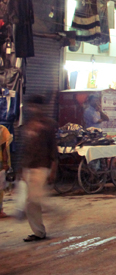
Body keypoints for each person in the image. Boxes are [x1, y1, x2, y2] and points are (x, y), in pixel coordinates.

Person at [20, 95, 58, 242]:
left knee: (32, 200)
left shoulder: (48, 125)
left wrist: (53, 169)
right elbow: (24, 149)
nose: (32, 108)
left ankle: (41, 230)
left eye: (34, 105)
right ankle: (39, 230)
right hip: (29, 167)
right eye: (30, 106)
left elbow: (53, 149)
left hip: (42, 167)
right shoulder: (27, 125)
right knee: (33, 200)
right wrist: (21, 169)